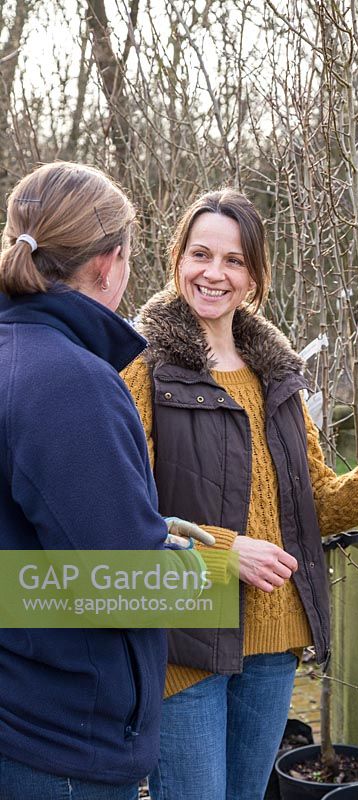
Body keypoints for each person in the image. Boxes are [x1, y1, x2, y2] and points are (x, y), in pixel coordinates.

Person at [122, 188, 358, 800]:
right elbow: (127, 510)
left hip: (276, 636)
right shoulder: (144, 368)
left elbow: (315, 503)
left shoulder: (278, 374)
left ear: (255, 276)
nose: (214, 273)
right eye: (201, 254)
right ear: (176, 260)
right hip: (187, 631)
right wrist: (224, 551)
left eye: (235, 260)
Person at [0, 161, 206, 800]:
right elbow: (130, 586)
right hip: (59, 742)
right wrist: (193, 565)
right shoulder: (72, 384)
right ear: (109, 262)